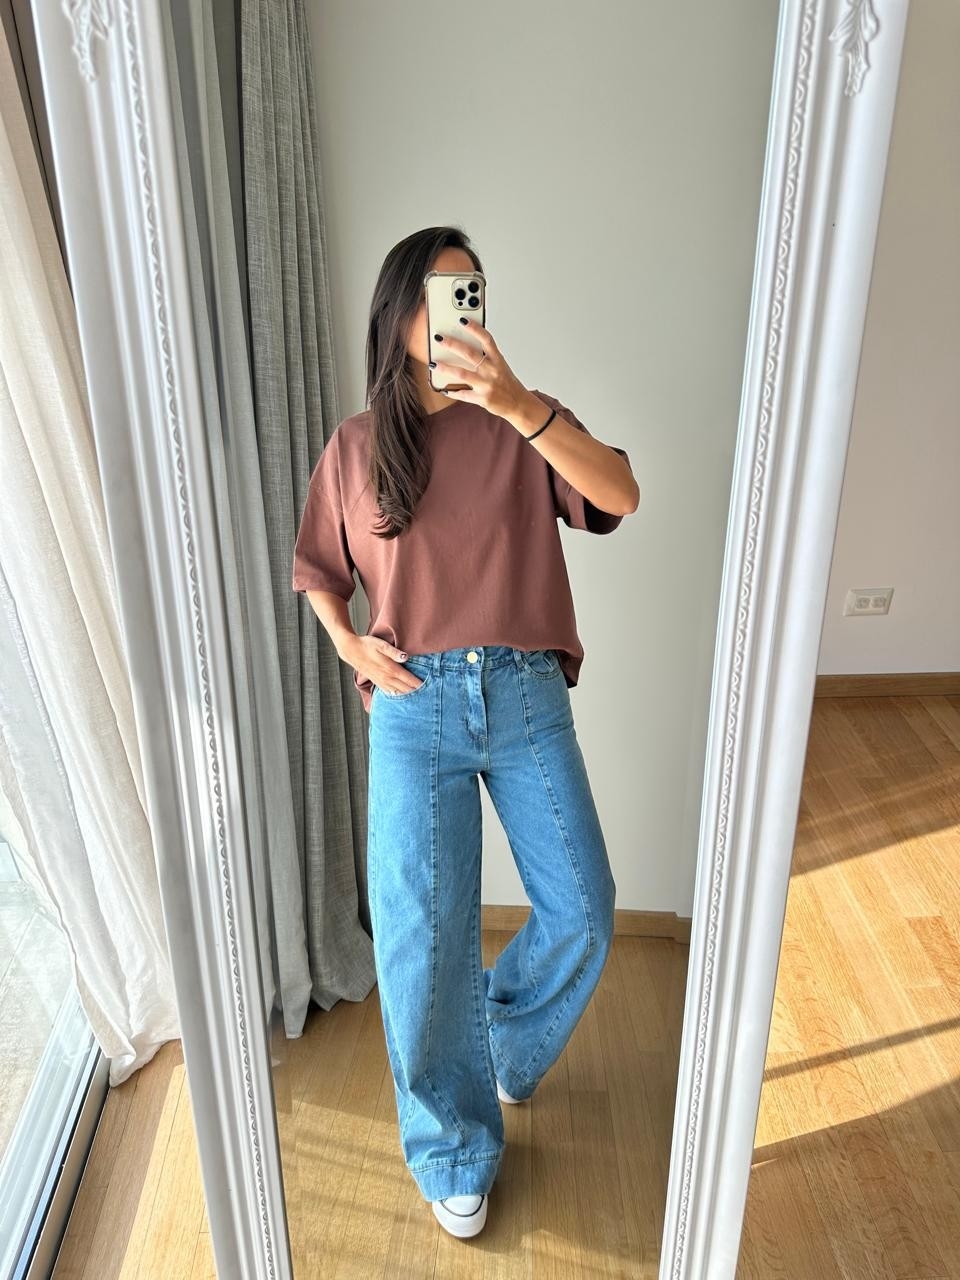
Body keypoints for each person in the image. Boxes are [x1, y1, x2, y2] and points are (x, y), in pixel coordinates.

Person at [292, 226, 639, 1239]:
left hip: (526, 692)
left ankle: (500, 1043)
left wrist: (522, 405)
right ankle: (451, 1146)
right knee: (420, 939)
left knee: (584, 906)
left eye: (472, 290)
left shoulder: (525, 423)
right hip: (414, 705)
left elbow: (621, 494)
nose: (460, 307)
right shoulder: (357, 446)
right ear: (400, 311)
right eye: (442, 292)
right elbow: (318, 568)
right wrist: (350, 647)